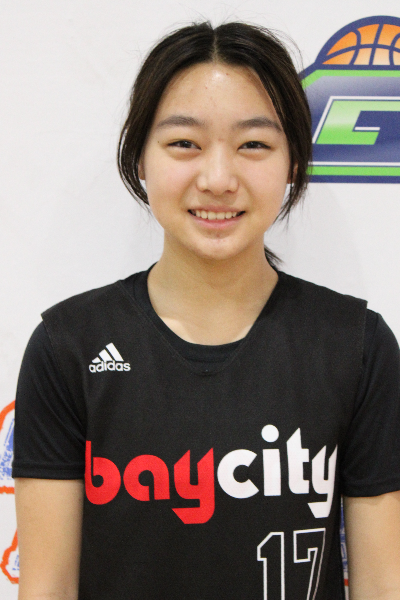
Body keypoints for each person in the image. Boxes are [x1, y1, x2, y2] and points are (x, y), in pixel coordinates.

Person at [13, 21, 400, 600]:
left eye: (254, 145)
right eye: (184, 144)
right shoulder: (67, 346)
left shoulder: (357, 347)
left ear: (293, 162)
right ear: (140, 159)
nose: (218, 179)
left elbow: (382, 583)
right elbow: (47, 587)